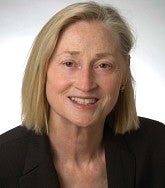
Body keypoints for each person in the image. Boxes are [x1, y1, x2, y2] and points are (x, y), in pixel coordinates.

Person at [0, 1, 165, 188]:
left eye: (103, 65)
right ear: (42, 70)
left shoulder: (158, 146)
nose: (85, 84)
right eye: (69, 63)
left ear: (125, 72)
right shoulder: (4, 161)